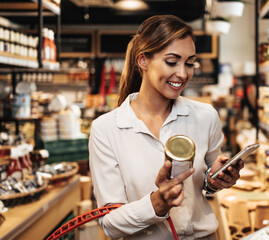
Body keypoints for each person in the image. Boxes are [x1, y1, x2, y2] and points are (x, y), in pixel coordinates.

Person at [89, 15, 244, 240]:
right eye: (172, 61)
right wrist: (156, 205)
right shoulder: (106, 129)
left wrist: (215, 180)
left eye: (190, 63)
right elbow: (110, 223)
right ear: (143, 60)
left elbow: (207, 184)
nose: (182, 74)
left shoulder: (205, 116)